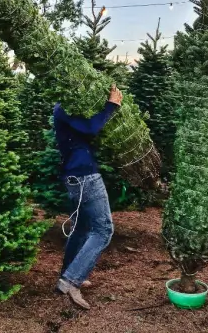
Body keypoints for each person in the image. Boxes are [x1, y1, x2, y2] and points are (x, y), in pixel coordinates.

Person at [53, 84, 123, 310]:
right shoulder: (64, 108)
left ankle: (68, 274)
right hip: (84, 176)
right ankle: (71, 281)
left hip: (75, 176)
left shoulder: (64, 108)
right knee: (104, 230)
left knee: (81, 228)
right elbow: (91, 127)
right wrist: (111, 106)